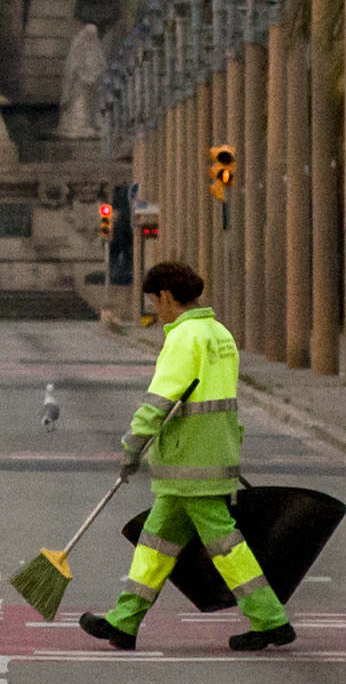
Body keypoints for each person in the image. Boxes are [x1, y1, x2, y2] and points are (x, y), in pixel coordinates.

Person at [78, 257, 291, 652]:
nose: (155, 313)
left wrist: (132, 445)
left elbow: (161, 399)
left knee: (225, 546)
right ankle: (124, 623)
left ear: (166, 296)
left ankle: (270, 619)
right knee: (155, 543)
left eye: (154, 304)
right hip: (209, 455)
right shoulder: (219, 333)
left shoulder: (184, 338)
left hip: (190, 460)